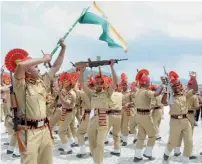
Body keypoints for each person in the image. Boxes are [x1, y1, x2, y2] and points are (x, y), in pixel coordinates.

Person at [5, 39, 66, 164]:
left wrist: (63, 49)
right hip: (28, 132)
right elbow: (21, 66)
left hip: (44, 129)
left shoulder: (41, 81)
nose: (39, 67)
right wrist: (43, 59)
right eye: (35, 65)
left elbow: (56, 67)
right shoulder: (20, 85)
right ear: (27, 70)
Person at [79, 60, 118, 164]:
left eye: (101, 82)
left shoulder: (107, 93)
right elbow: (82, 84)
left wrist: (112, 67)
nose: (99, 84)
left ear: (103, 83)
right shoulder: (91, 94)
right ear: (94, 83)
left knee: (100, 143)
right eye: (97, 82)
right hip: (92, 119)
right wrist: (82, 71)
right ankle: (97, 161)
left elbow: (115, 82)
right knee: (92, 144)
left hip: (103, 118)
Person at [162, 71, 197, 164]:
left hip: (186, 120)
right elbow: (163, 102)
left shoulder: (185, 94)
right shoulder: (170, 96)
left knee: (189, 142)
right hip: (175, 121)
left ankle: (186, 160)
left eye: (178, 84)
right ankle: (166, 154)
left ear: (180, 85)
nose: (177, 86)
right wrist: (166, 90)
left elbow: (195, 90)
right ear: (172, 87)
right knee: (173, 141)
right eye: (174, 85)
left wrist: (194, 79)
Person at [133, 69, 164, 162]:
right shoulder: (146, 92)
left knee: (141, 136)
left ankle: (137, 156)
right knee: (153, 135)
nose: (150, 84)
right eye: (149, 82)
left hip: (138, 115)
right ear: (146, 83)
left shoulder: (137, 91)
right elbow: (156, 93)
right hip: (145, 116)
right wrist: (163, 84)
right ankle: (148, 153)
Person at [58, 72, 77, 154]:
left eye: (65, 82)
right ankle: (66, 144)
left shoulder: (71, 93)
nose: (63, 83)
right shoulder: (67, 91)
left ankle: (68, 148)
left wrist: (60, 96)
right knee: (64, 129)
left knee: (61, 131)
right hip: (65, 112)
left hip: (68, 113)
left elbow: (67, 103)